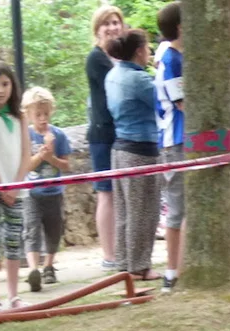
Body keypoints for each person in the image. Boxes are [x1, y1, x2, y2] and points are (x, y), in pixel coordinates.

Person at [106, 30, 161, 282]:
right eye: (147, 47)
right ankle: (139, 266)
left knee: (124, 211)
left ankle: (124, 262)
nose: (149, 52)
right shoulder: (139, 79)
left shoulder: (113, 75)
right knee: (144, 211)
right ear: (139, 51)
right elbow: (162, 100)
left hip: (119, 149)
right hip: (141, 151)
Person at [0, 61, 32, 311]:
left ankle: (14, 295)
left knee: (14, 240)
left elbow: (26, 153)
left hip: (17, 190)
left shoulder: (20, 117)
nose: (0, 90)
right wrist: (0, 186)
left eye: (5, 84)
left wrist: (15, 185)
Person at [21, 86, 71, 290]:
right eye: (38, 115)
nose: (42, 118)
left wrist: (51, 158)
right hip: (32, 193)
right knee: (31, 229)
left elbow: (66, 165)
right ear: (29, 114)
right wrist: (40, 156)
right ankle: (33, 269)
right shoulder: (26, 136)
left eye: (46, 114)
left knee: (54, 229)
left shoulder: (59, 135)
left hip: (54, 192)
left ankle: (49, 266)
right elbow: (25, 166)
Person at [86, 5, 124, 269]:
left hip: (122, 133)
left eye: (116, 22)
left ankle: (121, 249)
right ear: (97, 30)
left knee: (120, 193)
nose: (112, 27)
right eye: (106, 23)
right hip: (102, 135)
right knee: (106, 193)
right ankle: (109, 255)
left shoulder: (121, 57)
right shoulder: (96, 58)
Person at [154, 1, 185, 291]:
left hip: (188, 139)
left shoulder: (178, 56)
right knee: (177, 208)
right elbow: (182, 102)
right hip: (175, 140)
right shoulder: (171, 59)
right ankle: (172, 271)